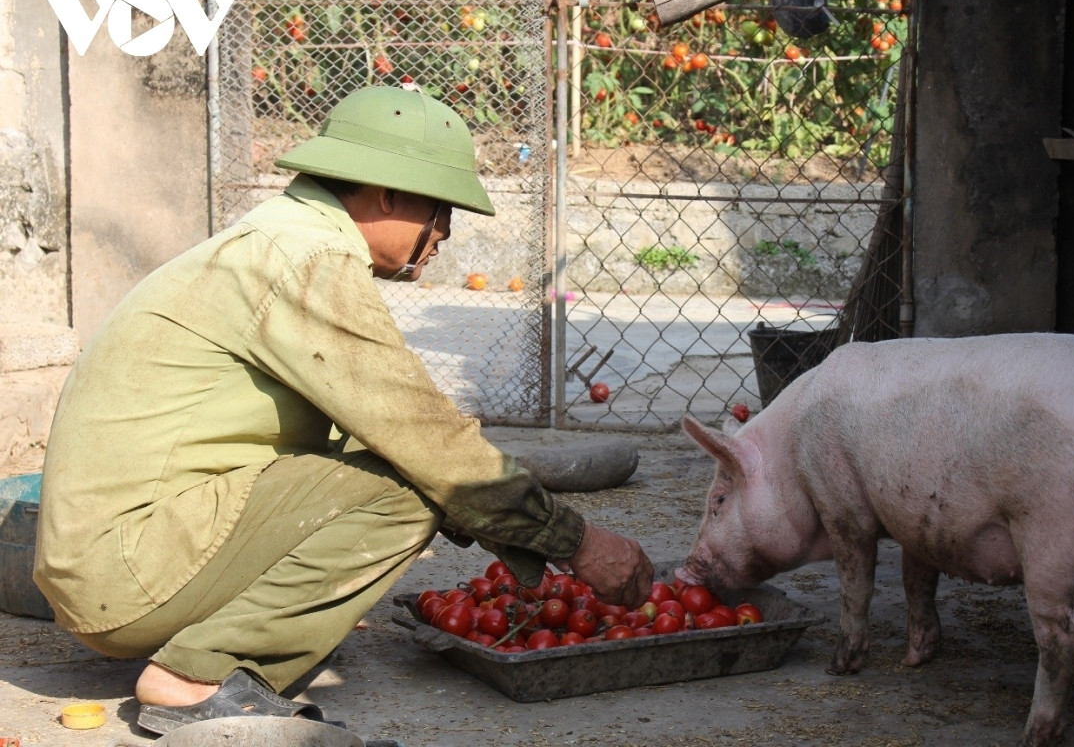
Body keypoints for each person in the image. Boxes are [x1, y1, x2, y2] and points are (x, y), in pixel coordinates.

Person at [33, 85, 655, 734]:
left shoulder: (280, 240)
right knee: (412, 485)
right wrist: (577, 544)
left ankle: (213, 642)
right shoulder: (307, 260)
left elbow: (410, 439)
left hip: (115, 560)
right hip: (127, 571)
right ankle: (196, 677)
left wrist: (533, 542)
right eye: (440, 208)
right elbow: (433, 447)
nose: (443, 232)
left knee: (401, 464)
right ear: (387, 194)